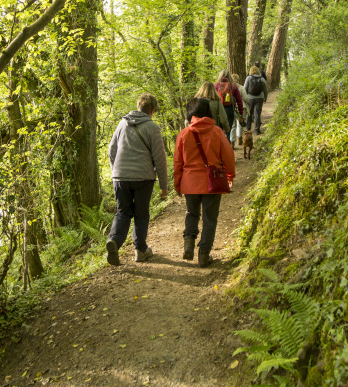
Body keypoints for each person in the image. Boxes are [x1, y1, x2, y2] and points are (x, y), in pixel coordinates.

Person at [106, 92, 168, 266]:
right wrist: (164, 185)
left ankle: (114, 242)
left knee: (123, 212)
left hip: (120, 177)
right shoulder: (153, 128)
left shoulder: (122, 123)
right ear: (152, 110)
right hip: (143, 177)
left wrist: (115, 172)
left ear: (138, 107)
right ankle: (140, 250)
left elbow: (112, 150)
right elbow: (160, 158)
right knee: (141, 214)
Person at [174, 98, 235, 267]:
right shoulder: (217, 132)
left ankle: (188, 242)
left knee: (191, 214)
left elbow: (178, 162)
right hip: (212, 182)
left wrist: (177, 184)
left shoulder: (184, 134)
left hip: (189, 183)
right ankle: (203, 254)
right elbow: (229, 156)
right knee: (210, 219)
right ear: (208, 111)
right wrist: (230, 176)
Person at [215, 69, 244, 142]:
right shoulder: (233, 86)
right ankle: (227, 149)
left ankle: (219, 149)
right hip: (229, 110)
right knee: (228, 131)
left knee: (219, 131)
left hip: (218, 110)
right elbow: (239, 101)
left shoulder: (216, 85)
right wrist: (240, 113)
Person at [244, 66, 268, 135]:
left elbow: (245, 88)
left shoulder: (248, 78)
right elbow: (266, 90)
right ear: (258, 71)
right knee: (257, 114)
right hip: (260, 98)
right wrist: (265, 98)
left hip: (250, 98)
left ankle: (248, 129)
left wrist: (245, 98)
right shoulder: (262, 79)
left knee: (249, 114)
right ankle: (257, 130)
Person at [230, 73, 250, 149]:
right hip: (242, 107)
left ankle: (232, 142)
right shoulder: (241, 87)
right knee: (240, 124)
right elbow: (246, 98)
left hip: (232, 107)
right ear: (237, 79)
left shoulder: (229, 88)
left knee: (232, 125)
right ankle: (240, 139)